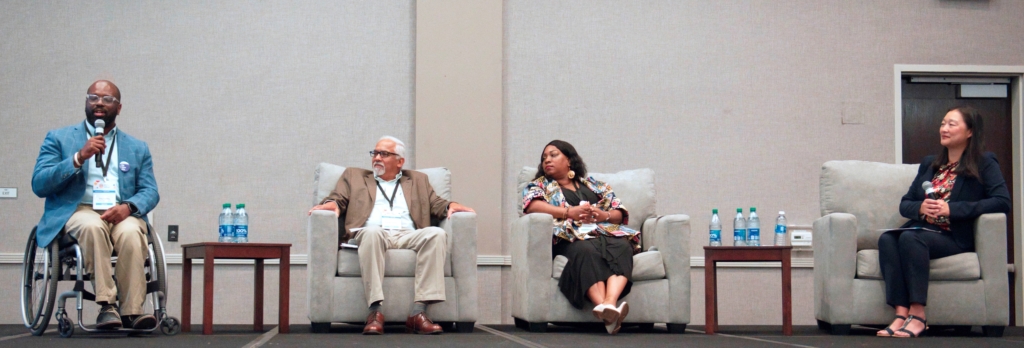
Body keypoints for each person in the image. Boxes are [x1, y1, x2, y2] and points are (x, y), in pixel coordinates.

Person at [308, 136, 474, 335]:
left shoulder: (418, 180)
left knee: (436, 234)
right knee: (372, 233)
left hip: (408, 235)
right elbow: (338, 199)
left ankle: (418, 313)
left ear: (400, 161)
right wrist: (332, 205)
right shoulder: (354, 176)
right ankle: (375, 312)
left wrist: (450, 205)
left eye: (384, 154)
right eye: (375, 153)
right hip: (372, 233)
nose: (377, 157)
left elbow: (436, 204)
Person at [31, 80, 160, 330]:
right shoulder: (58, 138)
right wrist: (78, 158)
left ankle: (133, 312)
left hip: (121, 210)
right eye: (93, 97)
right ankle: (107, 305)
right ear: (86, 103)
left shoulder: (137, 147)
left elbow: (150, 190)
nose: (99, 102)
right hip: (78, 209)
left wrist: (129, 207)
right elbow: (39, 184)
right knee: (92, 226)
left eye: (107, 99)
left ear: (119, 108)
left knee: (133, 232)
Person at [876, 106, 1010, 338]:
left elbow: (1001, 201)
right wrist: (920, 207)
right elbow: (905, 202)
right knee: (887, 239)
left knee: (910, 237)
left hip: (953, 235)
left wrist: (952, 209)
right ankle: (901, 313)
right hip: (925, 228)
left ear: (970, 132)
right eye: (942, 123)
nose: (944, 129)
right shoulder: (930, 164)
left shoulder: (984, 162)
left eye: (952, 124)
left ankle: (918, 315)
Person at [520, 140, 640, 335]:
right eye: (544, 158)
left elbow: (619, 211)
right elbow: (532, 206)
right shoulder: (539, 185)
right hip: (568, 237)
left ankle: (608, 305)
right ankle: (607, 309)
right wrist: (569, 212)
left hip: (602, 233)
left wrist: (603, 215)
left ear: (569, 160)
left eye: (553, 155)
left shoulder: (594, 185)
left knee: (623, 246)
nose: (547, 160)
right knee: (586, 250)